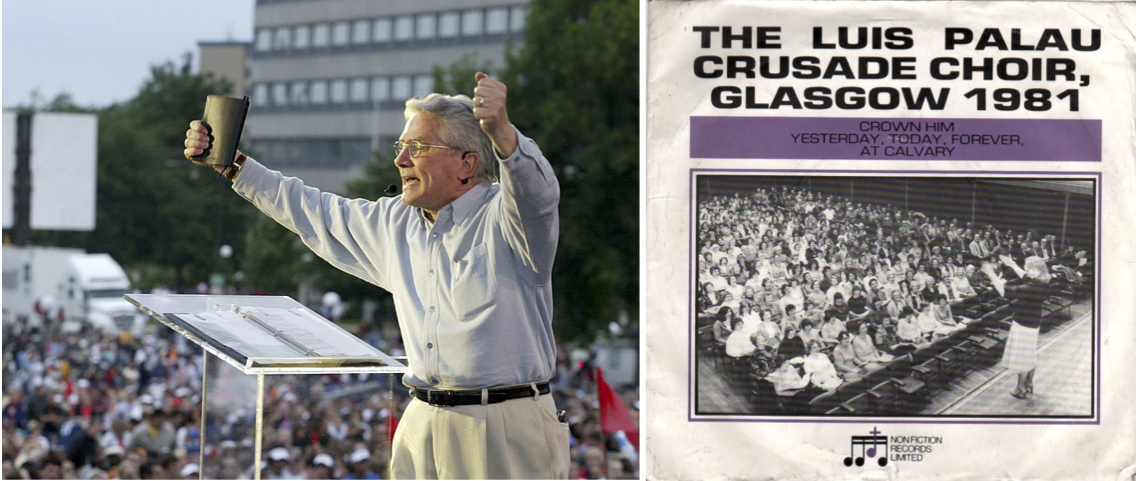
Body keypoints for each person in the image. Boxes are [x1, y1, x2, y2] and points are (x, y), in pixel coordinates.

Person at [183, 72, 568, 479]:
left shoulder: (509, 221)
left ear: (467, 163)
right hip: (422, 419)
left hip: (503, 426)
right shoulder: (395, 222)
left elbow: (538, 195)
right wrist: (234, 166)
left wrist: (504, 134)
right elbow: (310, 209)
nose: (400, 160)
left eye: (416, 148)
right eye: (401, 147)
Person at [999, 256, 1053, 399]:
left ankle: (1020, 387)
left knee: (1022, 356)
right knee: (1029, 353)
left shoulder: (1029, 287)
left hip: (1023, 322)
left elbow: (1006, 291)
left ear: (1033, 270)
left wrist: (995, 278)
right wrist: (1012, 264)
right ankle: (1028, 382)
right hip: (1034, 322)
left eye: (1027, 267)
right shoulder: (1042, 281)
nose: (1026, 270)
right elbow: (1023, 274)